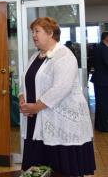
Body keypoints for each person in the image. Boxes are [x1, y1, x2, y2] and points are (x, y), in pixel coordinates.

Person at [19, 17, 95, 176]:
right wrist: (23, 101)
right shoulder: (35, 56)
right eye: (32, 31)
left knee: (62, 169)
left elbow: (61, 87)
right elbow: (25, 81)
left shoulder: (64, 55)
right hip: (35, 119)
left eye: (37, 31)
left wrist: (36, 106)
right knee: (37, 168)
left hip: (61, 122)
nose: (33, 35)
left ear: (50, 33)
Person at [90, 31, 108, 132]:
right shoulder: (103, 48)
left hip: (100, 79)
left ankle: (99, 125)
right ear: (106, 37)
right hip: (103, 80)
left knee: (101, 103)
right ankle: (103, 126)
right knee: (104, 104)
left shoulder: (98, 47)